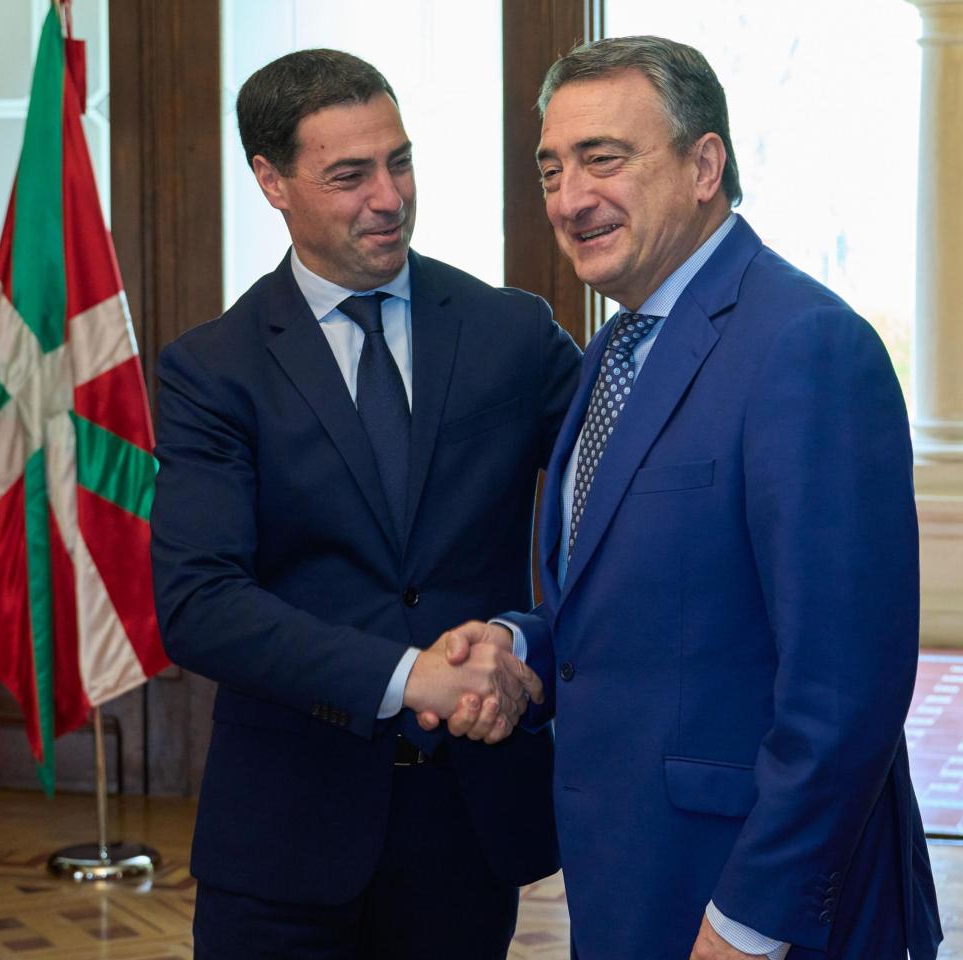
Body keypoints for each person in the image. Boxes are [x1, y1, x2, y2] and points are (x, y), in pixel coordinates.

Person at [427, 35, 945, 959]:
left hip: (748, 905)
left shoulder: (808, 346)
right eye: (551, 169)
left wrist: (750, 921)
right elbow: (651, 608)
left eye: (603, 159)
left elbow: (844, 691)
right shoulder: (614, 351)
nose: (570, 198)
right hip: (630, 880)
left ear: (705, 166)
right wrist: (520, 646)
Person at [149, 49, 580, 959]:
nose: (390, 198)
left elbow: (629, 495)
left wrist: (526, 636)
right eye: (350, 176)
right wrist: (409, 675)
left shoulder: (510, 332)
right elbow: (200, 605)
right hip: (284, 836)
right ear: (271, 181)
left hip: (467, 829)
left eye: (400, 161)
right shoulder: (213, 370)